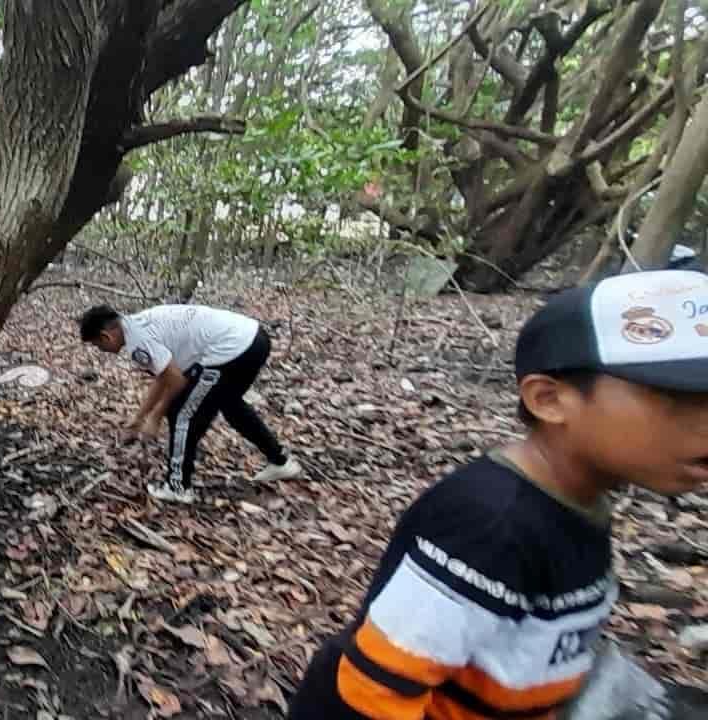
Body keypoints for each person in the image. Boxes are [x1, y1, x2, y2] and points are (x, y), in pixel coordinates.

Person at [285, 269, 708, 720]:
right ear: (549, 399)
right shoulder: (489, 526)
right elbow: (374, 692)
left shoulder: (574, 502)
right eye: (681, 401)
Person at [79, 303, 302, 504]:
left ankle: (178, 487)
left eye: (99, 346)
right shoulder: (136, 324)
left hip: (231, 350)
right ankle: (281, 462)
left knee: (182, 414)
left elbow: (176, 380)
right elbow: (163, 376)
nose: (102, 351)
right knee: (231, 405)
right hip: (254, 339)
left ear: (106, 336)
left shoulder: (138, 341)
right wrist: (139, 418)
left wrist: (155, 418)